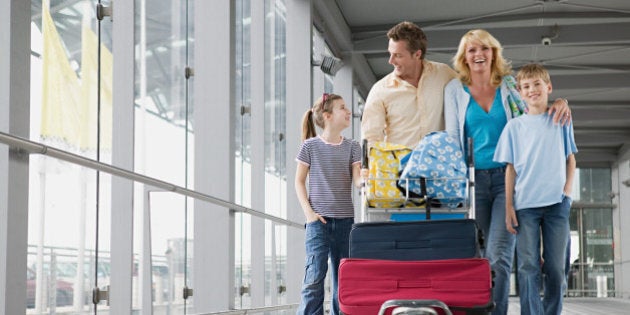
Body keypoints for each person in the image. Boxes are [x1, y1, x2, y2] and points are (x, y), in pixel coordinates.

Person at [443, 29, 571, 315]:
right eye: (472, 50)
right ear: (464, 56)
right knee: (475, 256)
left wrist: (560, 103)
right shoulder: (454, 90)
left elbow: (536, 111)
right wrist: (457, 183)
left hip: (508, 181)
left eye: (485, 49)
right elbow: (452, 137)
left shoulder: (509, 85)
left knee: (499, 255)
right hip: (473, 184)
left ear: (494, 53)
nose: (479, 55)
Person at [494, 63, 577, 315]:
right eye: (526, 87)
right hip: (525, 207)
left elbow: (570, 159)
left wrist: (567, 193)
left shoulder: (561, 120)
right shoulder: (514, 128)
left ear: (548, 87)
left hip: (556, 205)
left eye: (537, 85)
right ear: (519, 92)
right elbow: (510, 170)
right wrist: (509, 206)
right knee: (528, 266)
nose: (532, 90)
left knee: (555, 267)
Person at [295, 93, 363, 315]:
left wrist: (365, 179)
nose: (348, 111)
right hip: (318, 223)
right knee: (314, 277)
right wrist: (310, 214)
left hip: (346, 223)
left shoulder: (353, 147)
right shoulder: (310, 146)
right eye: (342, 108)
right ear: (328, 116)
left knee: (343, 280)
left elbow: (357, 179)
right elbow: (299, 181)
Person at [361, 21, 457, 148]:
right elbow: (370, 138)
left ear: (417, 54)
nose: (391, 61)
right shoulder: (380, 90)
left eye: (398, 55)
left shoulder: (443, 74)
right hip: (399, 166)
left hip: (438, 164)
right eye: (390, 54)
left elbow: (469, 93)